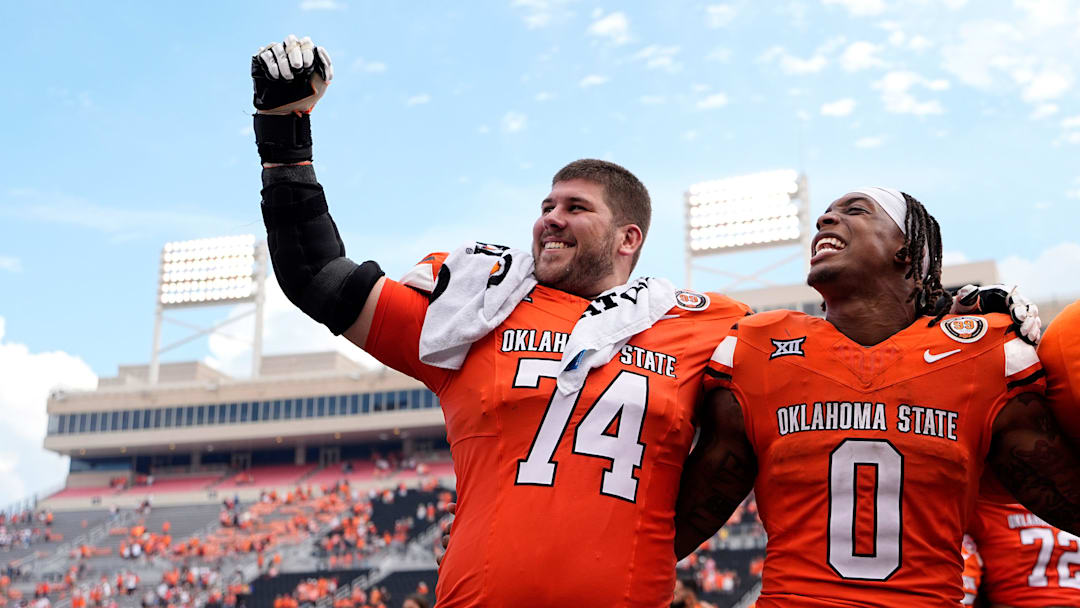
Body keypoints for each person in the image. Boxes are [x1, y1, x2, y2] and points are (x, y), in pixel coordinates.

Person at [250, 35, 751, 607]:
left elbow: (765, 424)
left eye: (575, 208)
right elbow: (317, 275)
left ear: (628, 238)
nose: (551, 220)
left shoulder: (702, 323)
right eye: (546, 207)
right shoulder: (477, 310)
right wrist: (283, 132)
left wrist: (661, 541)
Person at [674, 188, 1080, 606]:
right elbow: (688, 518)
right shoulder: (758, 347)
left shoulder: (984, 354)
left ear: (905, 250)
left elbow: (1064, 497)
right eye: (827, 212)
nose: (824, 220)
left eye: (855, 210)